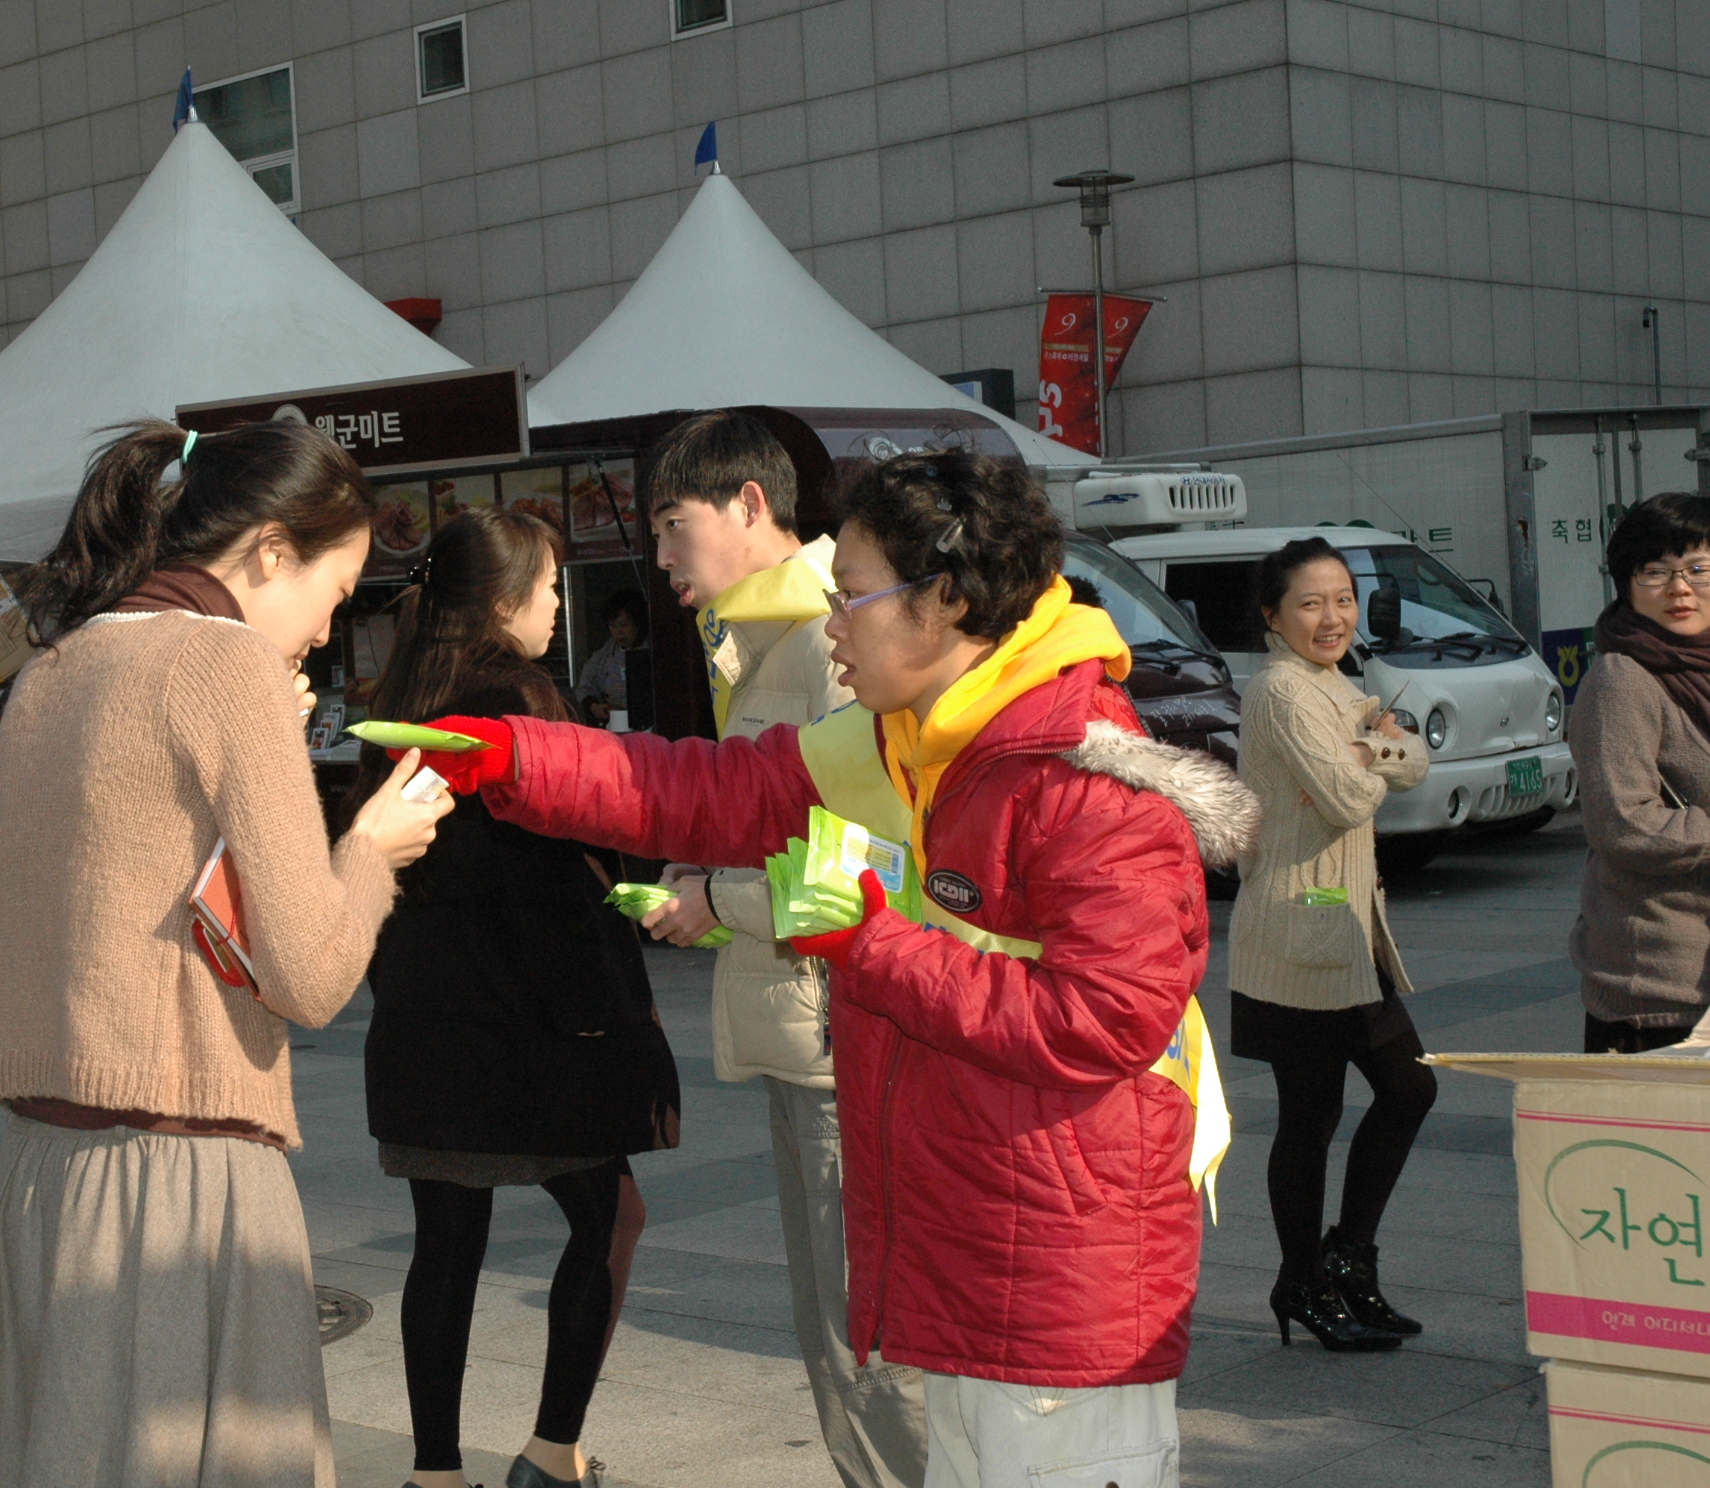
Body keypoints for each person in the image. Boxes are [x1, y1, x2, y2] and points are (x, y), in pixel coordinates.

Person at [399, 449, 1256, 1488]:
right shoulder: (905, 739)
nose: (832, 624)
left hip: (1059, 1292)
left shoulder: (1084, 779)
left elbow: (1101, 1021)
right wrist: (515, 758)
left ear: (941, 602)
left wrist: (869, 940)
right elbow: (706, 793)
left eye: (849, 597)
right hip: (969, 1256)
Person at [0, 419, 451, 1488]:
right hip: (179, 1173)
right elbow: (311, 976)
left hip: (43, 1173)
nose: (329, 625)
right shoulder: (225, 666)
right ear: (272, 550)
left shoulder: (56, 665)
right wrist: (371, 850)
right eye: (337, 585)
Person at [353, 508, 681, 1488]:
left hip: (425, 1020)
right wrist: (627, 1024)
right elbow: (566, 885)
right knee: (610, 1217)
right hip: (536, 1027)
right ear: (502, 601)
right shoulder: (520, 697)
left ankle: (433, 1471)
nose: (554, 607)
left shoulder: (403, 691)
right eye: (544, 589)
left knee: (445, 1245)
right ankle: (551, 1450)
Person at [630, 411, 922, 1488]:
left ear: (752, 506)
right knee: (834, 1328)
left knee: (866, 1337)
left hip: (846, 1030)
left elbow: (866, 867)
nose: (659, 558)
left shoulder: (825, 640)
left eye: (674, 524)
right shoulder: (759, 637)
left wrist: (718, 898)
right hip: (804, 1027)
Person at [1226, 537, 1435, 1351]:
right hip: (1298, 926)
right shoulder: (1281, 690)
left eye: (1343, 598)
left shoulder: (1336, 686)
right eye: (1311, 603)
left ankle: (1343, 1263)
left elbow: (1412, 761)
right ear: (1273, 616)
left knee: (1404, 1091)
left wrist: (1370, 746)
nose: (1333, 616)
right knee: (1312, 1115)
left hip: (1345, 929)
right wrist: (1371, 749)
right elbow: (1353, 797)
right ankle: (1306, 1278)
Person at [1570, 492, 1710, 1053]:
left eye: (1698, 568)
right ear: (1626, 584)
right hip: (1659, 988)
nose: (1680, 588)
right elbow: (1623, 824)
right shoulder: (1621, 679)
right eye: (1655, 572)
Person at [573, 589, 647, 725]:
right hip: (614, 724)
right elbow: (585, 685)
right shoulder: (604, 654)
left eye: (624, 625)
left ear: (638, 623)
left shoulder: (654, 650)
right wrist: (594, 706)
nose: (619, 632)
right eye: (613, 626)